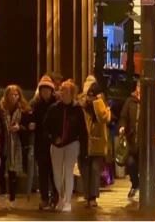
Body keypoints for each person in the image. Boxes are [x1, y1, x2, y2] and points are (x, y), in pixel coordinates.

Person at [44, 80, 87, 213]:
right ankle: (61, 196)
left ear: (72, 93)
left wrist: (84, 149)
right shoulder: (54, 108)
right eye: (62, 90)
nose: (63, 93)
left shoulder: (78, 109)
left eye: (66, 91)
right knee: (57, 174)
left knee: (68, 171)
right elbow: (45, 128)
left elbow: (82, 131)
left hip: (72, 143)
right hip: (56, 145)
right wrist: (52, 138)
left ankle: (67, 200)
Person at [79, 77, 111, 208]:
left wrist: (98, 103)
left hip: (97, 144)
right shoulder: (81, 105)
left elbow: (104, 118)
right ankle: (87, 196)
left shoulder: (103, 106)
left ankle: (93, 197)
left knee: (95, 171)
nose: (90, 98)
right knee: (85, 171)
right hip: (84, 143)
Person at [0, 85, 29, 210]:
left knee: (13, 171)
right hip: (3, 143)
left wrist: (19, 128)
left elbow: (28, 127)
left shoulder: (23, 109)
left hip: (16, 144)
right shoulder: (0, 108)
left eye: (16, 95)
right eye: (12, 95)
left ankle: (12, 198)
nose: (14, 97)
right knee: (0, 170)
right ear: (7, 95)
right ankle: (2, 194)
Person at [30, 75, 58, 208]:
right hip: (40, 142)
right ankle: (44, 198)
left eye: (47, 90)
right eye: (43, 90)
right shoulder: (36, 104)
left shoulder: (57, 104)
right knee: (42, 171)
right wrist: (31, 125)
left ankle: (55, 196)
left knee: (54, 172)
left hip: (54, 142)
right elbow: (31, 119)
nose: (45, 92)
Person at [119, 82, 142, 200]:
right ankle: (135, 184)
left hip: (144, 140)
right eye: (139, 87)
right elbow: (123, 116)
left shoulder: (150, 101)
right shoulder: (130, 101)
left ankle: (142, 186)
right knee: (131, 163)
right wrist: (122, 126)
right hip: (131, 138)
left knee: (142, 165)